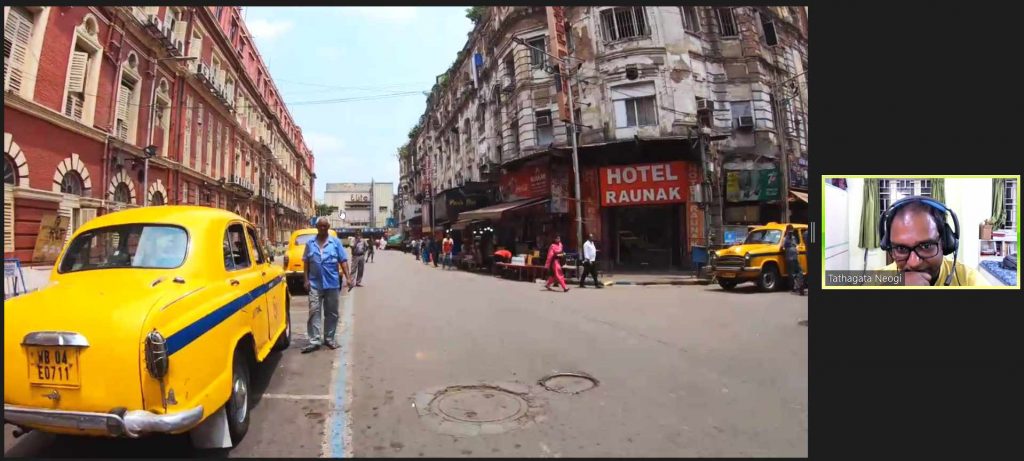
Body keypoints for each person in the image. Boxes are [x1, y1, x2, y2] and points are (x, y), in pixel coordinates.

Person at [880, 197, 987, 286]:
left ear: (945, 244)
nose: (914, 263)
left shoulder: (969, 281)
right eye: (901, 249)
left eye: (926, 246)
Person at [302, 217, 354, 353]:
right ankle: (314, 341)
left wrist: (348, 278)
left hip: (332, 284)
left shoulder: (335, 243)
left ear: (328, 227)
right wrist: (306, 280)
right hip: (314, 284)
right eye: (320, 226)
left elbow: (343, 261)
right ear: (317, 227)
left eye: (325, 226)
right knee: (314, 312)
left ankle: (329, 338)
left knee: (332, 313)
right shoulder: (310, 244)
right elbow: (306, 263)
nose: (323, 228)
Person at [783, 226, 805, 295]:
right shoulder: (792, 237)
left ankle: (796, 286)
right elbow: (795, 245)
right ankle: (799, 286)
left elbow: (783, 246)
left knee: (793, 272)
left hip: (790, 257)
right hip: (793, 256)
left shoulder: (786, 238)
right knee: (797, 272)